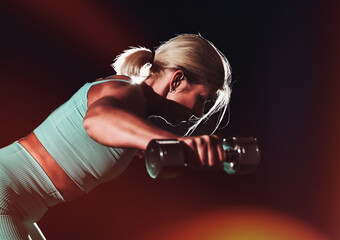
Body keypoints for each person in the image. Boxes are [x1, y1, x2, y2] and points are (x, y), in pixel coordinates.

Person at [0, 34, 232, 239]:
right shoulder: (125, 91)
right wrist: (176, 141)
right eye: (202, 98)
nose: (199, 113)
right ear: (177, 80)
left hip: (22, 207)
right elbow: (97, 120)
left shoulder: (135, 116)